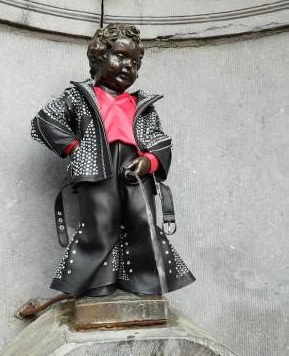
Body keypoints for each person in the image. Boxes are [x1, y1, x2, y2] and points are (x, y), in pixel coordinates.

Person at [31, 23, 195, 298]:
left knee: (143, 221)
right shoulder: (79, 96)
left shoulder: (141, 104)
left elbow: (159, 139)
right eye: (120, 56)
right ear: (98, 57)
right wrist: (75, 147)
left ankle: (144, 281)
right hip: (95, 169)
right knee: (99, 224)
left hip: (135, 170)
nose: (128, 66)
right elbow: (45, 121)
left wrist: (149, 162)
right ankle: (96, 282)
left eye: (135, 61)